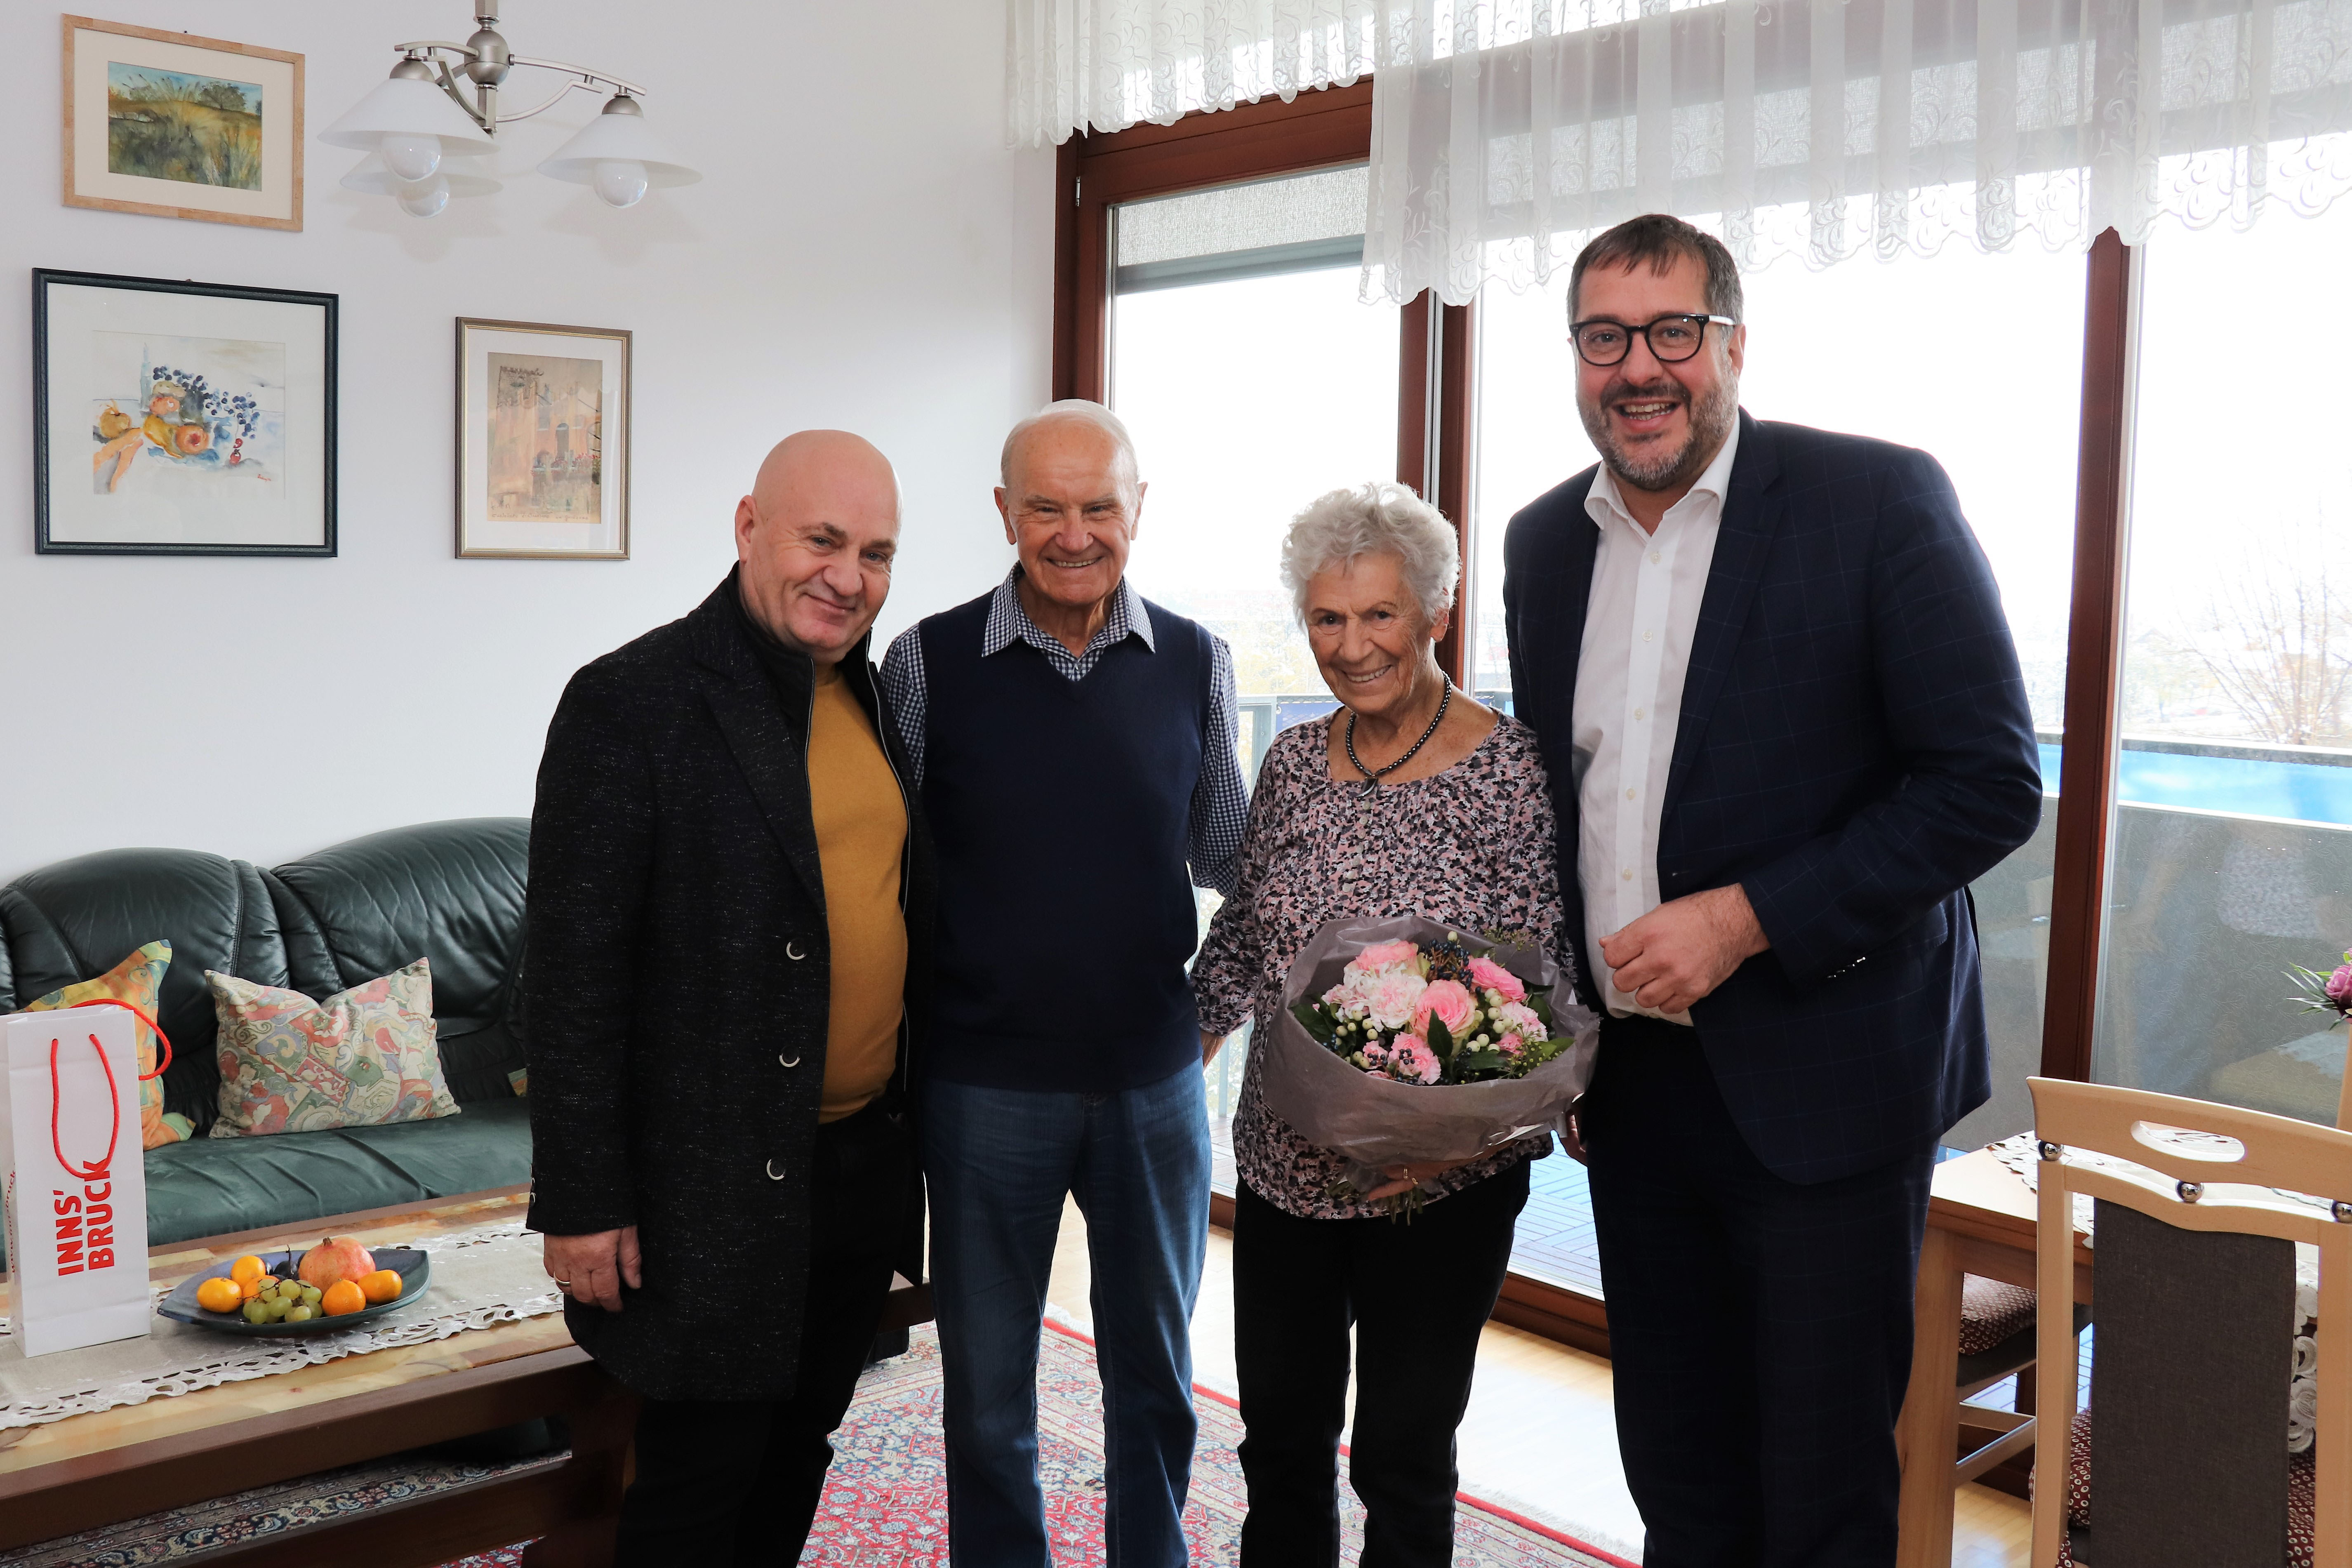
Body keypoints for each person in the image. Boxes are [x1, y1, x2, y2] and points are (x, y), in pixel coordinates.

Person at [1500, 213, 2042, 1567]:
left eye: (1672, 331)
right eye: (1604, 336)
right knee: (1677, 1468)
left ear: (1733, 344)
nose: (1640, 367)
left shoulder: (1877, 499)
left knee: (1818, 1491)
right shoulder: (1539, 545)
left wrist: (1743, 918)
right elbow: (1573, 805)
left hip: (1830, 1079)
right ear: (1574, 357)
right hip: (1635, 1089)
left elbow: (1985, 783)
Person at [524, 429, 934, 1565]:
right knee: (698, 1480)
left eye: (877, 551)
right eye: (823, 539)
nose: (848, 575)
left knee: (802, 1442)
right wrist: (583, 1199)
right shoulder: (631, 702)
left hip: (853, 1170)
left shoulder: (873, 698)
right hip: (702, 1189)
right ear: (750, 525)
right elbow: (569, 977)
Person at [878, 399, 1245, 1567]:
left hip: (1153, 1083)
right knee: (989, 1391)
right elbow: (886, 868)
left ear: (1138, 510)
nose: (1074, 531)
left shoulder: (1197, 659)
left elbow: (1234, 856)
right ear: (1005, 512)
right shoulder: (924, 663)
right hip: (983, 1085)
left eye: (1100, 506)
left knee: (1156, 1378)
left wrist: (1217, 1009)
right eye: (1047, 506)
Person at [1191, 482, 1564, 1568]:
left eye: (1379, 615)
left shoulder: (1512, 771)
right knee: (1283, 1447)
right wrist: (1177, 1038)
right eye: (1326, 619)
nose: (1351, 648)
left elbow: (1550, 990)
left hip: (1440, 1193)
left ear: (1437, 614)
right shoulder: (1297, 762)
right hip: (1284, 1171)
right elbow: (1250, 927)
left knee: (1402, 1459)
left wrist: (1452, 1138)